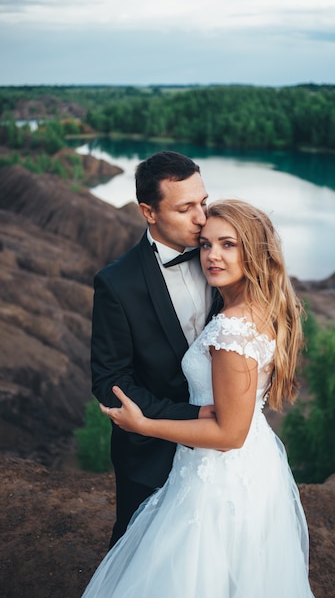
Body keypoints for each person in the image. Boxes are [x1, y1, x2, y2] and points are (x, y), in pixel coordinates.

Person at [83, 199, 315, 598]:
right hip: (248, 465)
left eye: (228, 245)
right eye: (206, 245)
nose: (211, 256)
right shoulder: (256, 308)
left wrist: (144, 424)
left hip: (217, 474)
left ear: (254, 251)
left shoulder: (231, 331)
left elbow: (228, 434)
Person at [90, 150, 220, 548]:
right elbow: (110, 380)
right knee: (139, 552)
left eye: (204, 203)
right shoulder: (117, 283)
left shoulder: (223, 255)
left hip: (221, 448)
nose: (201, 219)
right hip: (149, 453)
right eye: (185, 209)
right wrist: (193, 416)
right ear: (149, 212)